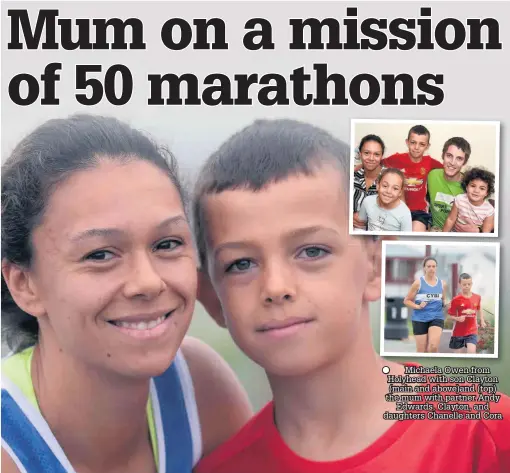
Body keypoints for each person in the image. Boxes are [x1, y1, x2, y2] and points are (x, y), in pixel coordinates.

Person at [191, 119, 510, 473]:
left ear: (376, 265)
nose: (276, 287)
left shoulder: (485, 435)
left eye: (312, 251)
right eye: (241, 263)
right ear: (210, 298)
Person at [1, 115, 252, 473]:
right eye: (100, 254)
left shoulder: (197, 390)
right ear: (24, 284)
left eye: (167, 244)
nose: (148, 282)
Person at [382, 125, 443, 232]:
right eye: (413, 142)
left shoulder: (429, 162)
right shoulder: (397, 159)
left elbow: (447, 170)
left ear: (427, 146)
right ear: (407, 142)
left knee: (416, 235)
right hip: (397, 208)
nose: (416, 147)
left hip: (419, 211)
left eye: (422, 144)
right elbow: (376, 164)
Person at [403, 257, 448, 354]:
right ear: (424, 268)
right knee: (421, 351)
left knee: (433, 346)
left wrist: (446, 303)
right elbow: (406, 300)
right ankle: (421, 369)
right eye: (429, 266)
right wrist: (418, 306)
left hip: (437, 317)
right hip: (420, 318)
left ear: (436, 268)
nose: (431, 268)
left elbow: (443, 298)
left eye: (433, 266)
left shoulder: (442, 284)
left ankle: (433, 368)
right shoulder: (418, 283)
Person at [427, 137, 470, 231]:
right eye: (449, 156)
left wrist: (478, 230)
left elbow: (487, 213)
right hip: (435, 230)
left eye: (459, 158)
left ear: (464, 162)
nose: (452, 163)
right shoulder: (432, 175)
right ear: (442, 155)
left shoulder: (469, 186)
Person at [443, 167, 496, 233]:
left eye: (482, 188)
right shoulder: (459, 199)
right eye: (473, 186)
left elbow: (486, 232)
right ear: (466, 187)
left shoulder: (489, 210)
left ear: (487, 193)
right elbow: (450, 220)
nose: (476, 191)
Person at [357, 168, 412, 232]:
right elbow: (360, 226)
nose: (388, 191)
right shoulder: (367, 201)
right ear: (378, 186)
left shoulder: (405, 213)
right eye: (385, 186)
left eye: (395, 188)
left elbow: (406, 240)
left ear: (400, 192)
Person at [352, 134, 385, 231]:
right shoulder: (352, 176)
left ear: (381, 156)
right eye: (367, 153)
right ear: (360, 153)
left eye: (376, 154)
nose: (371, 158)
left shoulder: (390, 178)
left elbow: (399, 214)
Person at [448, 273, 486, 354]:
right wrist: (457, 318)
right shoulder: (456, 299)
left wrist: (482, 320)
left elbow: (479, 308)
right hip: (458, 332)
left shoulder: (477, 297)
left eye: (469, 284)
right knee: (458, 358)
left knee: (472, 353)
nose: (467, 286)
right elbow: (450, 315)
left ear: (472, 284)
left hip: (472, 331)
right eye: (464, 284)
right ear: (460, 285)